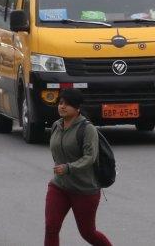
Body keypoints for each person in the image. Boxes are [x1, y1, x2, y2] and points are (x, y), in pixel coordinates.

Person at [44, 89, 113, 246]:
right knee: (51, 228)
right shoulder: (56, 126)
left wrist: (68, 168)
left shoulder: (87, 129)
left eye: (68, 104)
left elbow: (90, 157)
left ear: (78, 108)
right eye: (61, 103)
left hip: (84, 189)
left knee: (88, 233)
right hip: (59, 186)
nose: (62, 106)